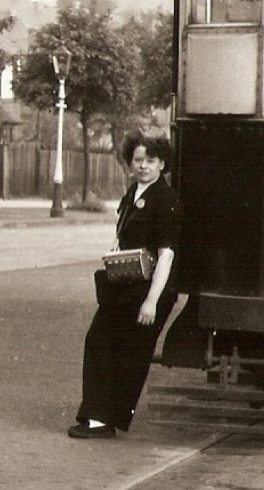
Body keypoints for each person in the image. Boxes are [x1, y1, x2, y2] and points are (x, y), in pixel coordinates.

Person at [68, 131, 183, 439]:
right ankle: (100, 419)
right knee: (101, 342)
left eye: (151, 160)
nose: (143, 165)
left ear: (162, 164)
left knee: (128, 351)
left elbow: (167, 255)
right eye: (138, 160)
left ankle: (103, 420)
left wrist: (152, 302)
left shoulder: (166, 199)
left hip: (150, 289)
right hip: (127, 284)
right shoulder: (133, 193)